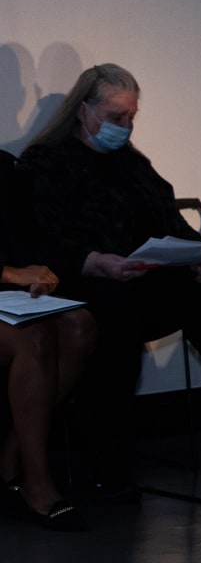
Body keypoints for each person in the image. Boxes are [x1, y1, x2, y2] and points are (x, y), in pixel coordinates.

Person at [16, 64, 201, 497]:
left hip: (136, 276)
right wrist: (97, 262)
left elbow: (167, 220)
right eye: (116, 118)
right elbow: (41, 242)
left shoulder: (132, 163)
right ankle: (106, 462)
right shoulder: (47, 162)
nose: (125, 127)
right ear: (84, 110)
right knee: (116, 310)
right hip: (82, 280)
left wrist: (198, 257)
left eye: (131, 117)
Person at [1, 152, 96, 530]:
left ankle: (10, 455)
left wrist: (38, 272)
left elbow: (26, 239)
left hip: (6, 297)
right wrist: (9, 272)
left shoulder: (6, 168)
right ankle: (37, 485)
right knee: (34, 336)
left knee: (79, 325)